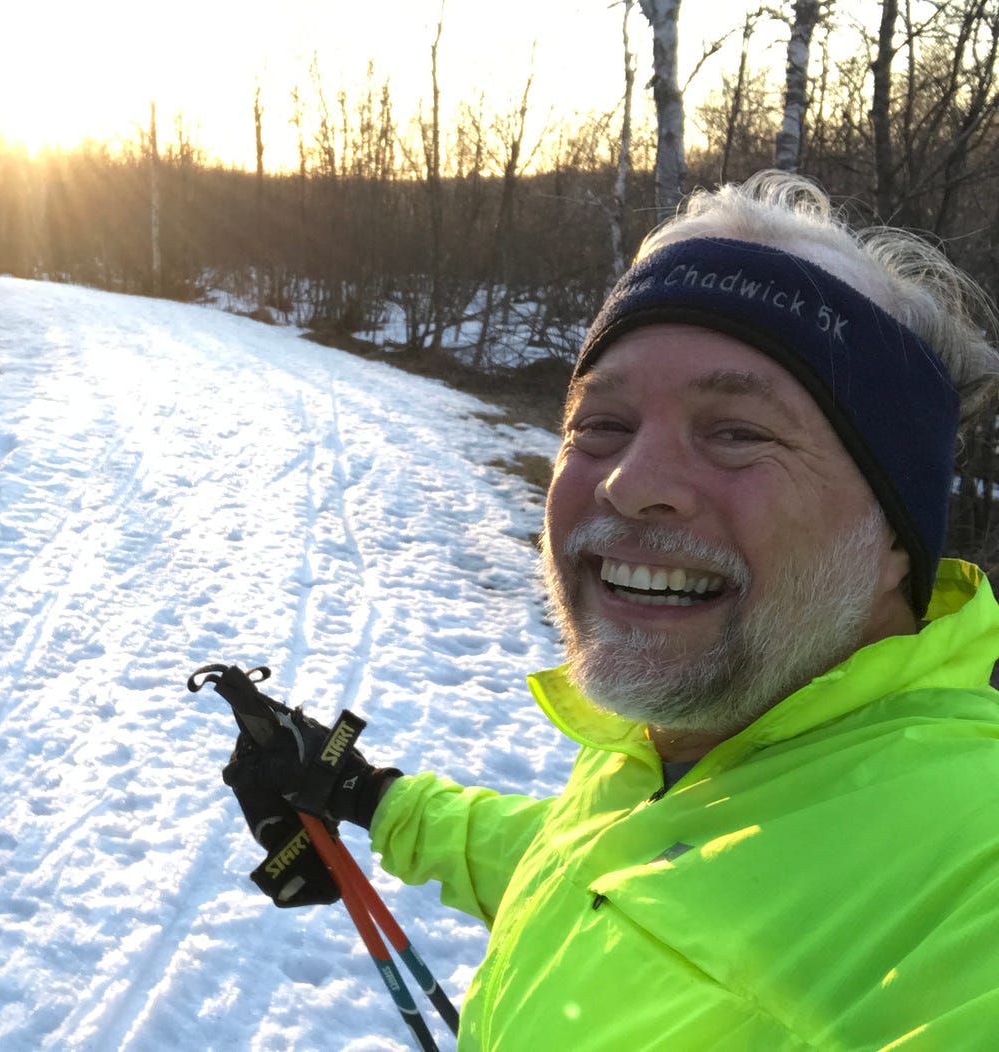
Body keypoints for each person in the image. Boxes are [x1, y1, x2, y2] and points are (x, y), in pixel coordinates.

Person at [221, 170, 999, 1049]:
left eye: (737, 432)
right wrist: (371, 797)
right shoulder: (674, 747)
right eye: (601, 426)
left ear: (896, 530)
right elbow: (592, 874)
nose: (631, 484)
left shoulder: (975, 874)